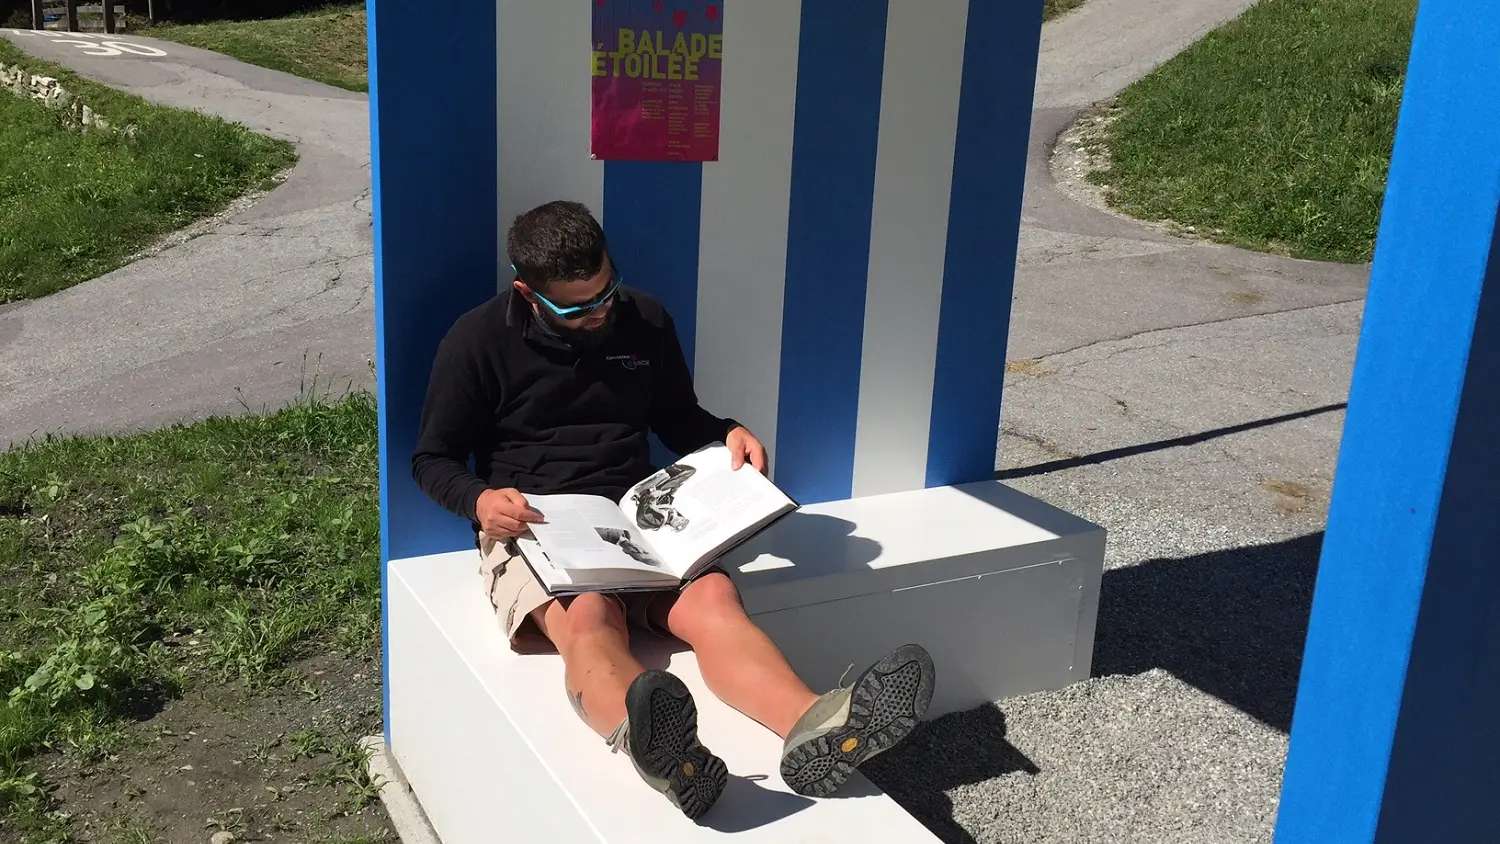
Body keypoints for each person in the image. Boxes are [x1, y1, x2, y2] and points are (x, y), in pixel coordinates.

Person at [411, 200, 936, 820]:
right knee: (590, 618)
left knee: (715, 601)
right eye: (575, 308)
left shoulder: (645, 319)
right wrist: (478, 501)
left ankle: (817, 726)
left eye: (607, 291)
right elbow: (432, 459)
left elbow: (677, 417)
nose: (599, 311)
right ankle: (661, 752)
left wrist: (726, 434)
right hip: (540, 527)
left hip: (639, 517)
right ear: (528, 292)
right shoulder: (475, 341)